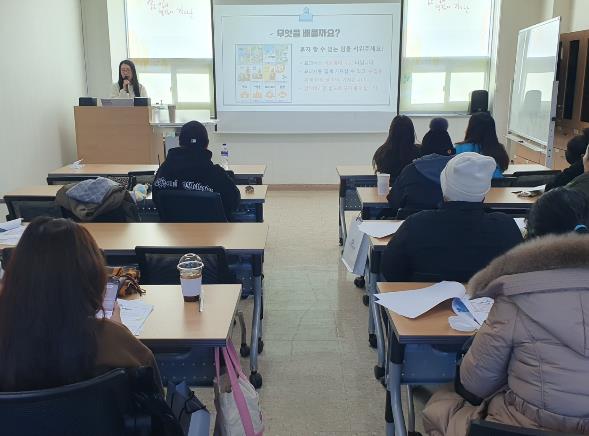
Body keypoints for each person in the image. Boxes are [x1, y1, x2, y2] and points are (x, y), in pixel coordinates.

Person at [422, 229, 589, 435]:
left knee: (439, 407)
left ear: (532, 239)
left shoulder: (514, 300)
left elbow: (476, 385)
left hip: (515, 426)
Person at [0, 217, 160, 392]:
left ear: (15, 274)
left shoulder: (9, 337)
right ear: (92, 277)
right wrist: (118, 331)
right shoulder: (110, 338)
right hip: (99, 411)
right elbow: (153, 392)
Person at [381, 153, 523, 282]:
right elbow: (520, 272)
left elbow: (390, 270)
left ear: (444, 185)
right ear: (485, 190)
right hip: (488, 301)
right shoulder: (505, 227)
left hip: (425, 301)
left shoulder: (416, 224)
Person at [152, 121, 241, 219]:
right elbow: (234, 202)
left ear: (180, 142)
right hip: (212, 229)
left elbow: (156, 200)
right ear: (207, 144)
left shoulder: (164, 171)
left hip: (173, 229)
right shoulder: (216, 174)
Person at [387, 118, 454, 216]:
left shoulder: (409, 171)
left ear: (422, 151)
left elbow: (394, 202)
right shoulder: (459, 173)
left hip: (410, 222)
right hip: (449, 224)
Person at [455, 112, 509, 179]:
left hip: (469, 184)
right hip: (497, 184)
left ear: (471, 128)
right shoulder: (499, 148)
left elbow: (456, 172)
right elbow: (503, 168)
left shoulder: (460, 148)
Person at [372, 115, 419, 185]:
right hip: (412, 190)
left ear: (391, 131)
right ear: (411, 132)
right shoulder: (419, 152)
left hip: (389, 190)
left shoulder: (382, 152)